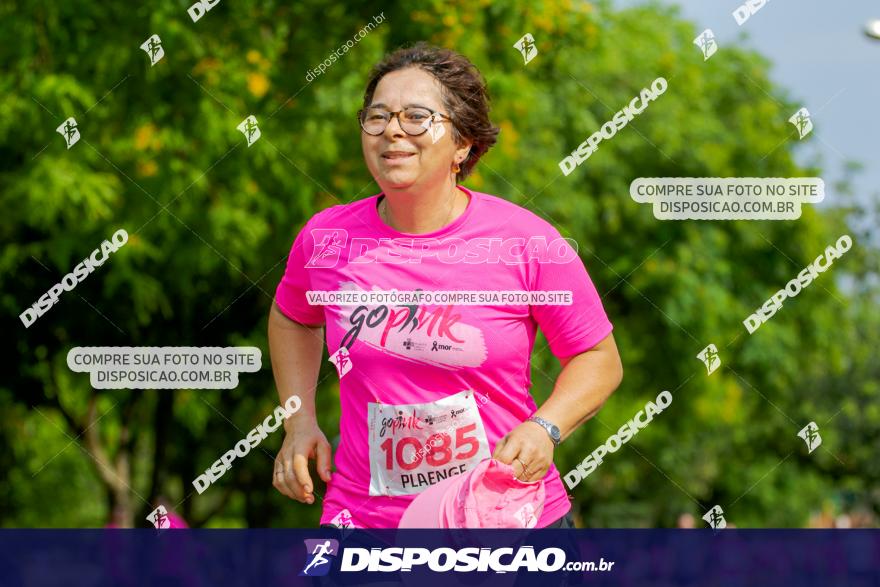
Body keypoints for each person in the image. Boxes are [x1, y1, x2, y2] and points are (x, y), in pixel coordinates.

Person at [269, 42, 623, 529]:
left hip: (506, 525)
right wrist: (299, 420)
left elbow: (598, 358)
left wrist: (546, 427)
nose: (392, 129)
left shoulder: (528, 242)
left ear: (463, 143)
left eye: (416, 116)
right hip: (366, 526)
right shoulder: (327, 240)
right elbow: (292, 318)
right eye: (377, 117)